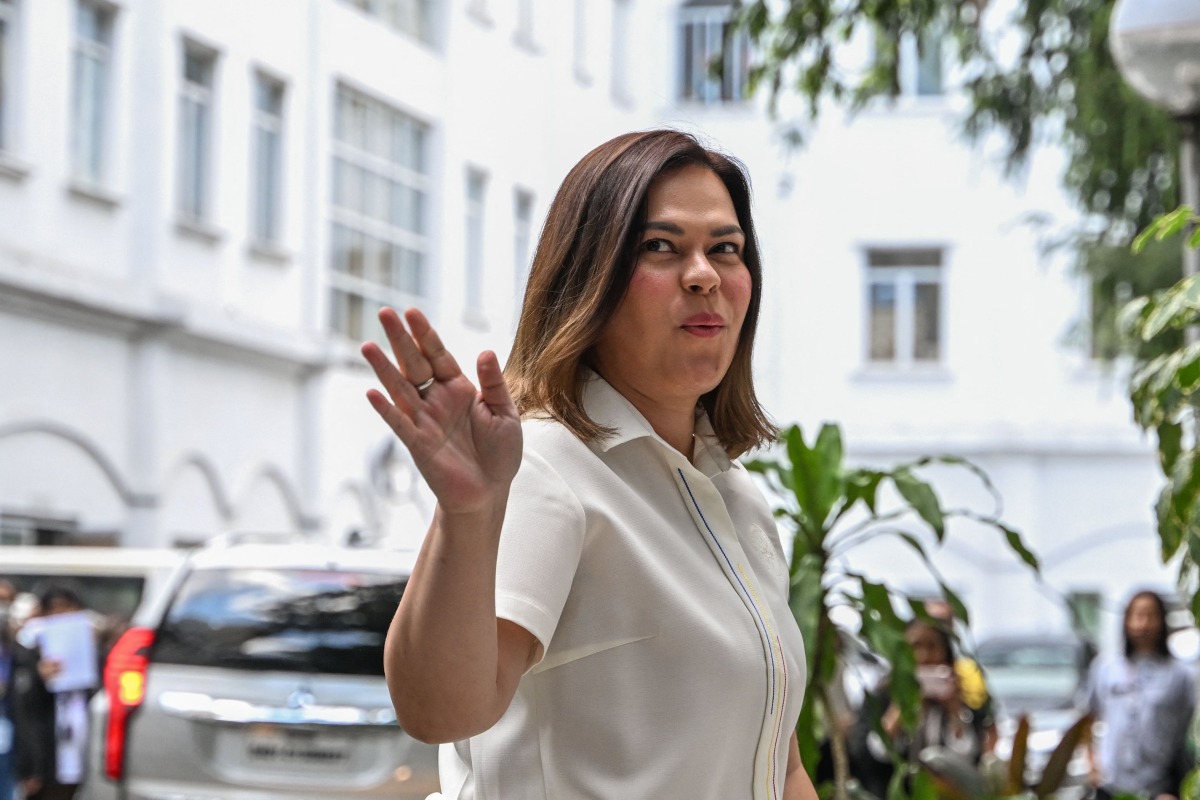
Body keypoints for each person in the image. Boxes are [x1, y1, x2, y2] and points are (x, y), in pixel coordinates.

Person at [361, 128, 816, 799]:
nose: (704, 275)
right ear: (588, 280)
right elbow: (440, 711)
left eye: (726, 250)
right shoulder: (542, 465)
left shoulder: (736, 498)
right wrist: (468, 513)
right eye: (661, 248)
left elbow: (780, 766)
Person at [849, 618, 997, 800]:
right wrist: (902, 707)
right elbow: (872, 755)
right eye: (915, 647)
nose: (924, 656)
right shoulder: (881, 696)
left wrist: (954, 710)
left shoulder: (964, 697)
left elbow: (969, 756)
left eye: (932, 647)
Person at [1085, 590, 1196, 800]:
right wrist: (1092, 764)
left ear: (1162, 621)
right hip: (1111, 783)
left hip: (1158, 784)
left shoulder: (1179, 675)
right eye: (1137, 615)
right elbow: (1087, 717)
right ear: (1126, 620)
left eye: (1150, 616)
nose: (1143, 624)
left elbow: (1184, 732)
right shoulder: (1106, 667)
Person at [11, 583, 100, 800]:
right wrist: (30, 768)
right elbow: (24, 714)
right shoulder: (28, 656)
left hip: (85, 754)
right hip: (49, 759)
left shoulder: (95, 651)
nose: (63, 616)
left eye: (69, 609)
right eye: (56, 610)